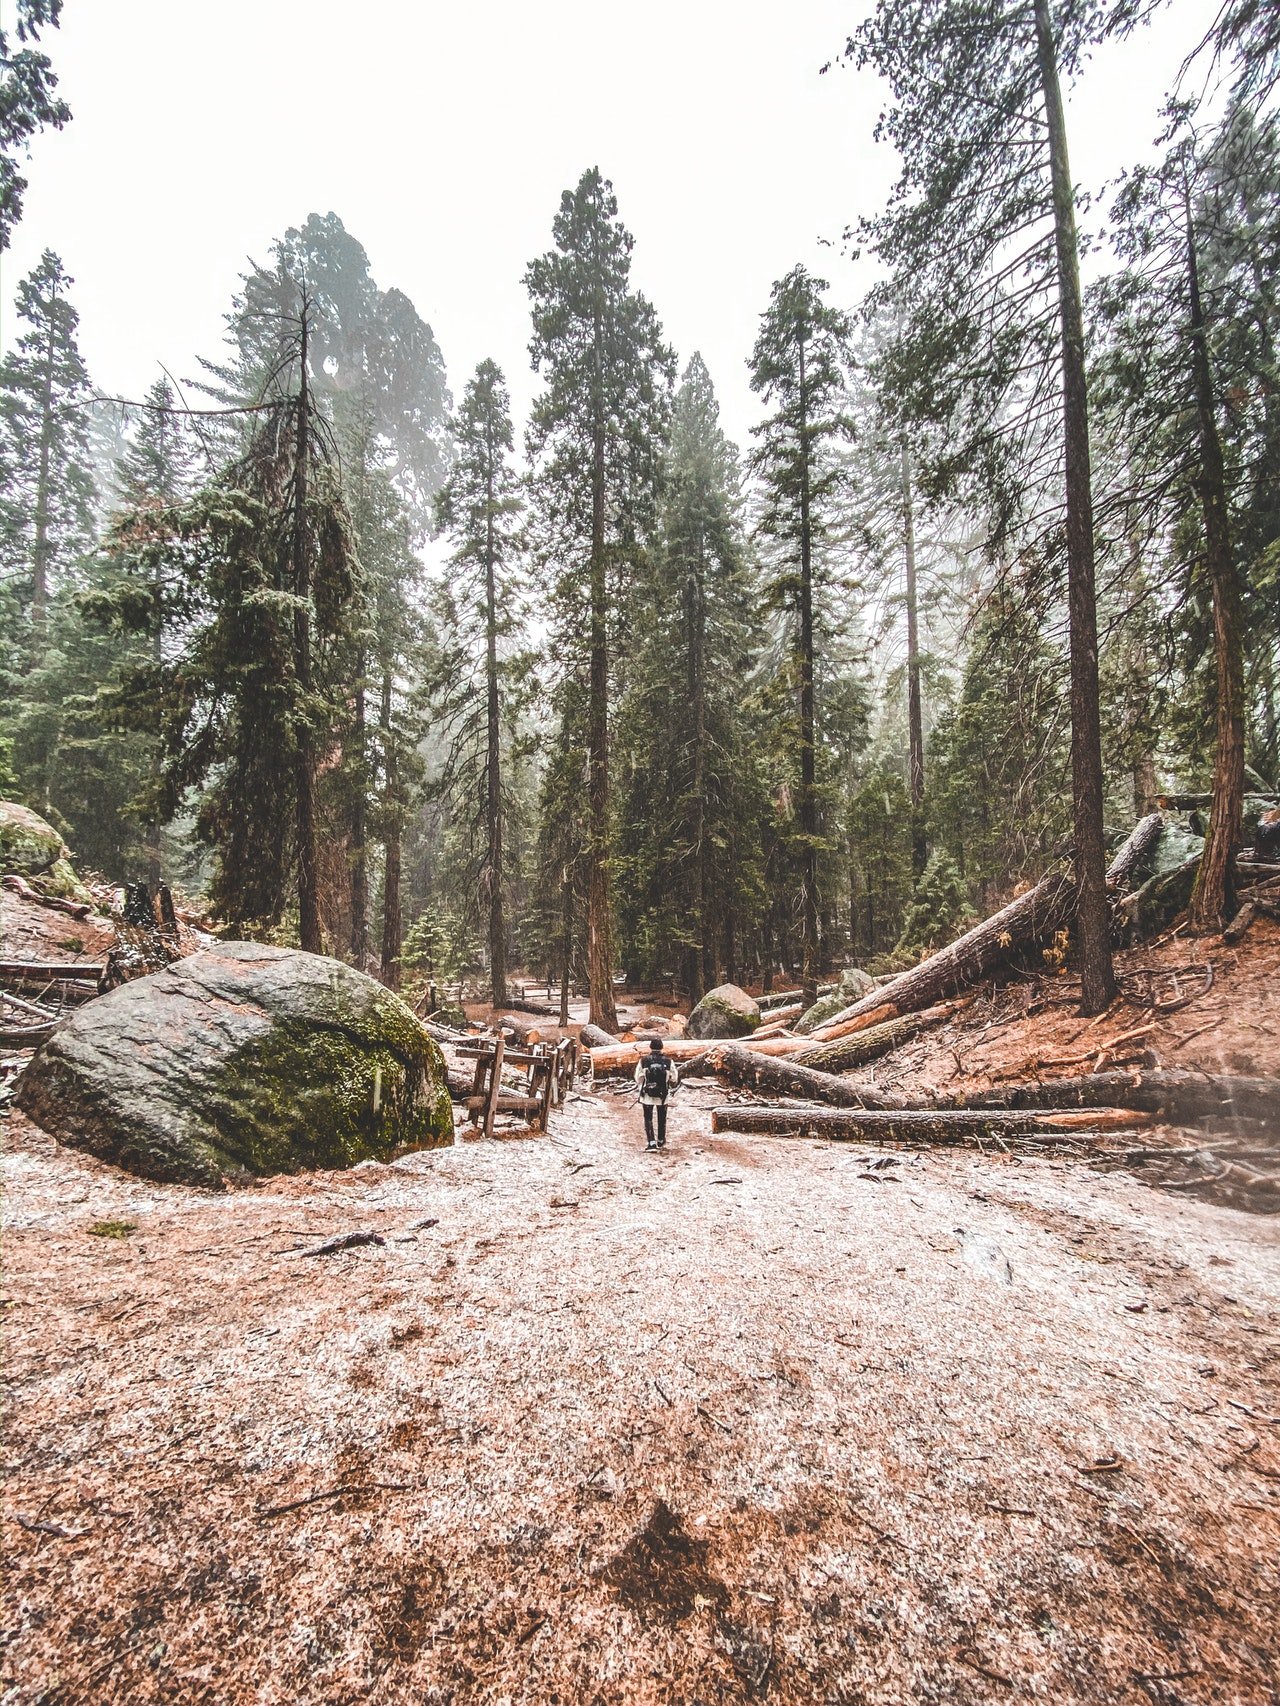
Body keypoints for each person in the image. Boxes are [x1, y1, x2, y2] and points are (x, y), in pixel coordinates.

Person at [634, 1037, 678, 1151]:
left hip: (647, 1095)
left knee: (648, 1118)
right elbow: (674, 1078)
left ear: (650, 1047)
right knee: (662, 1117)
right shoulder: (668, 1061)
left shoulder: (644, 1061)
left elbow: (638, 1077)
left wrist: (642, 1085)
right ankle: (661, 1140)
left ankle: (651, 1142)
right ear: (662, 1047)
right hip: (663, 1095)